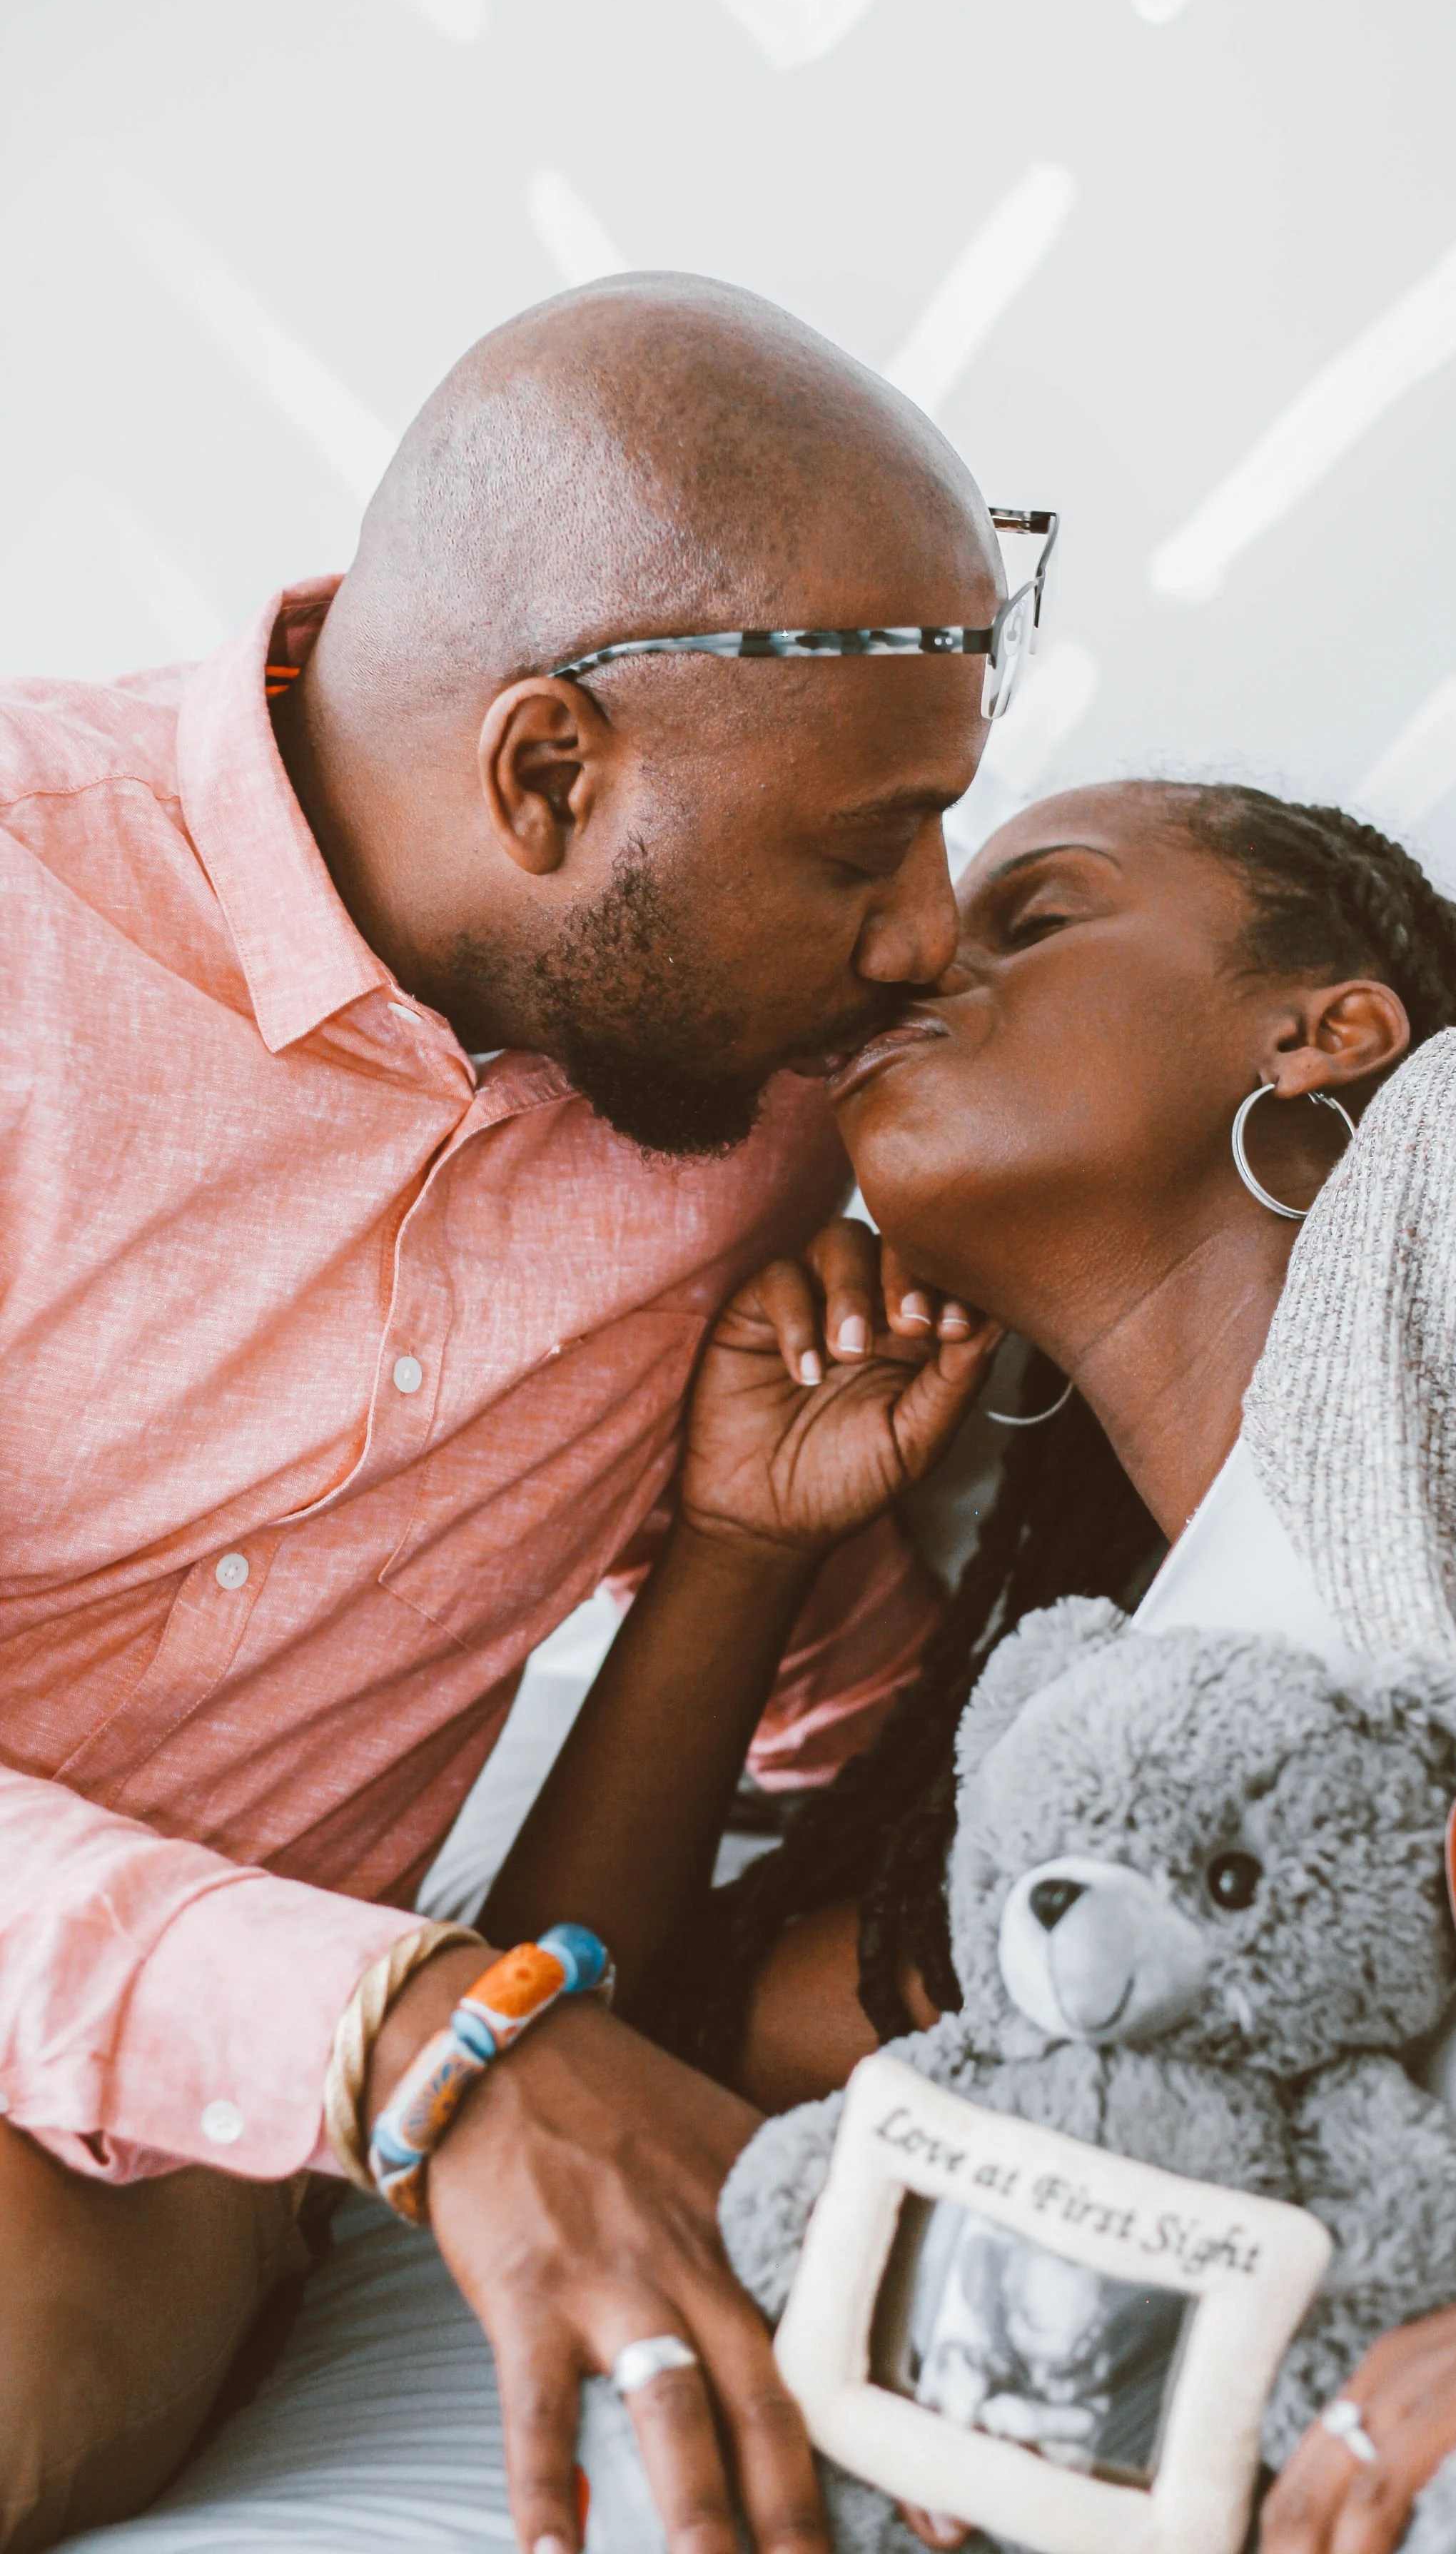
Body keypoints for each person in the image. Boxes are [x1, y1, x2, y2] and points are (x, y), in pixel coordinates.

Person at [0, 268, 1044, 2554]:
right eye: (864, 853)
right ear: (550, 771)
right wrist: (389, 2032)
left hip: (125, 2197)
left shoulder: (756, 1127)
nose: (923, 940)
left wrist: (781, 1559)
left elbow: (866, 1753)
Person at [496, 778, 1456, 2553]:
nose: (909, 959)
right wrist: (740, 1551)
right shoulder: (1110, 1736)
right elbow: (569, 2055)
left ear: (1324, 1034)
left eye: (1035, 915)